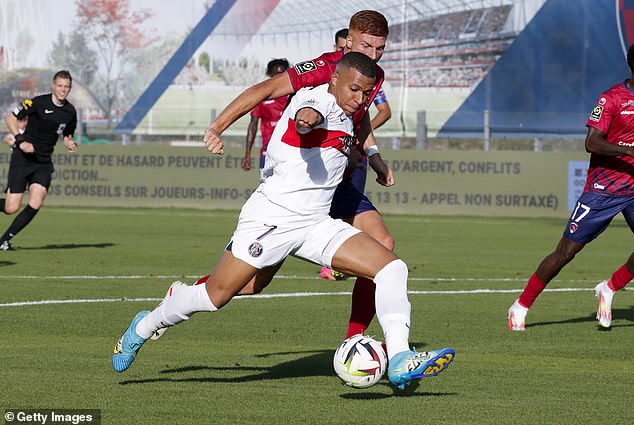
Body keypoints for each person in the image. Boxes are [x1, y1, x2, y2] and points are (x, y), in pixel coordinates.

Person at [112, 52, 455, 390]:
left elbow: (352, 122)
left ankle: (398, 360)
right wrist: (305, 121)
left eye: (365, 93)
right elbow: (308, 115)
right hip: (272, 217)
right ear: (335, 79)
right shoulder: (317, 99)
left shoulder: (351, 110)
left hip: (316, 222)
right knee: (216, 296)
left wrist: (374, 156)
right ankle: (145, 325)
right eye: (353, 89)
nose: (359, 99)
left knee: (392, 268)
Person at [507, 45, 634, 331]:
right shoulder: (612, 98)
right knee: (566, 251)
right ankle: (522, 304)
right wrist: (630, 151)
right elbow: (592, 142)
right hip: (604, 188)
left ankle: (610, 288)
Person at [320, 27, 392, 282]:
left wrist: (373, 154)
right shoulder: (323, 70)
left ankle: (357, 324)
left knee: (383, 243)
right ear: (346, 45)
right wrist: (217, 128)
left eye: (379, 48)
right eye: (366, 47)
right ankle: (191, 294)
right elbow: (267, 91)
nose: (373, 54)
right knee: (250, 281)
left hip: (345, 170)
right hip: (307, 181)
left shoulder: (372, 78)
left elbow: (365, 116)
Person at [0, 70, 78, 251]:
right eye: (60, 86)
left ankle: (3, 241)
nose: (63, 90)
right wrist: (20, 140)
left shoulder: (70, 111)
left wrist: (69, 142)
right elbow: (10, 118)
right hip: (23, 158)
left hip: (43, 162)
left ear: (70, 88)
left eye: (66, 87)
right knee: (12, 207)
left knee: (36, 201)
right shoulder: (38, 102)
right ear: (53, 85)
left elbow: (67, 133)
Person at [241, 59, 290, 181]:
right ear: (269, 75)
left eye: (282, 74)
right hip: (268, 151)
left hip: (290, 149)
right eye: (275, 75)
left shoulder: (295, 95)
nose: (278, 78)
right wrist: (248, 154)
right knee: (265, 188)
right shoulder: (262, 97)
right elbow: (253, 125)